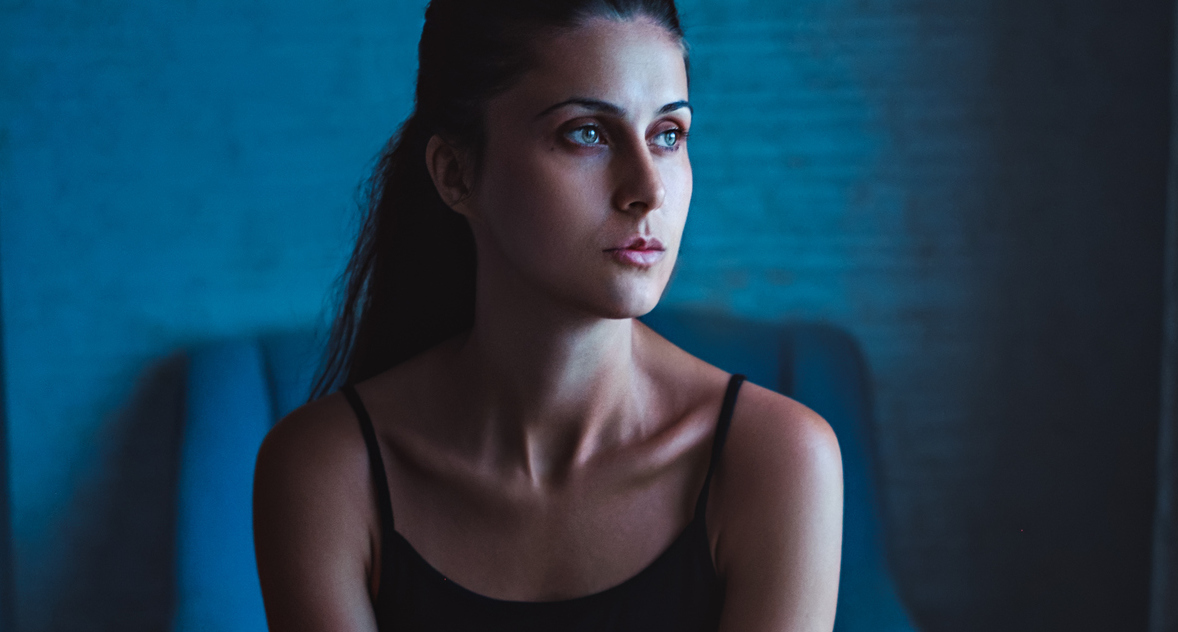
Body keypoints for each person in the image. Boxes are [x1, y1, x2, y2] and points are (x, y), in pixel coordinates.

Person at [250, 1, 843, 630]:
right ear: (456, 173)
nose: (649, 189)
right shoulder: (329, 472)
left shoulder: (775, 460)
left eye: (668, 135)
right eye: (586, 132)